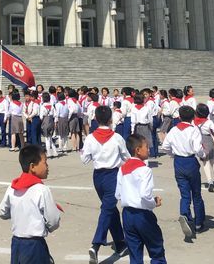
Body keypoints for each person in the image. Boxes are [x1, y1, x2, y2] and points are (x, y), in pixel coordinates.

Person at [80, 105, 129, 264]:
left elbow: (85, 159)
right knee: (107, 209)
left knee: (110, 209)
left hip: (98, 177)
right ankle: (96, 244)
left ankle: (120, 243)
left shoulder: (90, 138)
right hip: (112, 176)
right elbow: (127, 157)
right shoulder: (117, 138)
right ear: (110, 120)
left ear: (95, 119)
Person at [0, 144, 61, 264]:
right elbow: (53, 221)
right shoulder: (42, 190)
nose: (47, 166)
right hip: (35, 245)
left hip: (17, 244)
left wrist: (18, 213)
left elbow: (2, 212)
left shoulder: (12, 188)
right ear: (32, 167)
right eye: (45, 162)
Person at [116, 134, 166, 264]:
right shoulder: (144, 170)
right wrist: (154, 203)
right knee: (156, 250)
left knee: (135, 254)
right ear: (138, 150)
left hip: (127, 215)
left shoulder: (122, 168)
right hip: (142, 215)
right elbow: (145, 195)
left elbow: (118, 194)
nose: (148, 150)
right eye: (146, 147)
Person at [161, 105, 206, 239]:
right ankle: (199, 223)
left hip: (179, 162)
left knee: (184, 193)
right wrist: (203, 155)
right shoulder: (194, 130)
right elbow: (198, 148)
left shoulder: (174, 130)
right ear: (193, 117)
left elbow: (165, 147)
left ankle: (184, 214)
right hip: (190, 161)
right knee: (196, 194)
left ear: (179, 117)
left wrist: (173, 154)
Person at [194, 103, 214, 192]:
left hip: (200, 141)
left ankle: (209, 181)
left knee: (205, 163)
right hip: (209, 141)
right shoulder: (209, 121)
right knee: (213, 162)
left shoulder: (194, 122)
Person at [40, 92, 59, 158]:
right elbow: (55, 115)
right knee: (50, 137)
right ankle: (55, 152)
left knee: (47, 139)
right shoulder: (52, 106)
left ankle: (48, 152)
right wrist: (55, 123)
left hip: (45, 121)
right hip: (51, 121)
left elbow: (41, 116)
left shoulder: (42, 106)